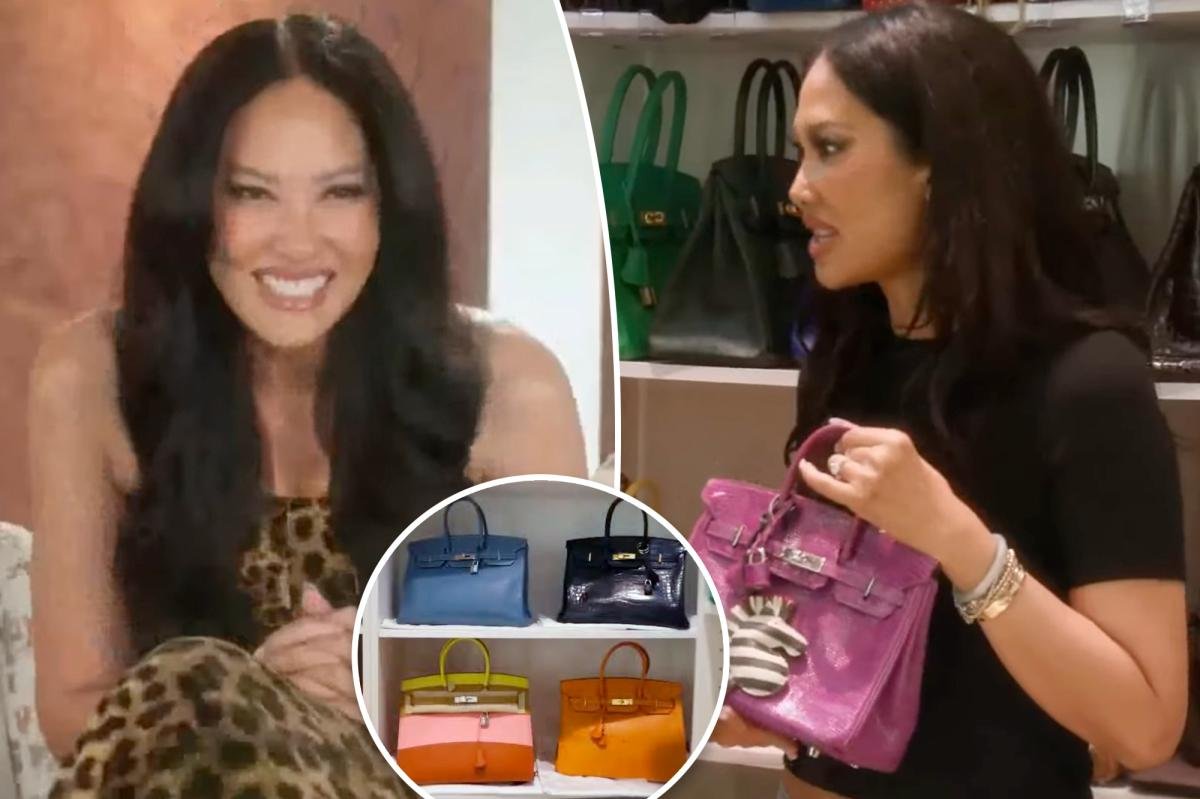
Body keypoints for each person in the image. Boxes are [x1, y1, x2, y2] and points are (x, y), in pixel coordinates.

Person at [30, 14, 586, 796]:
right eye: (252, 193)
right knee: (196, 682)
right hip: (175, 776)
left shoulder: (511, 390)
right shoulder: (89, 375)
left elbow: (569, 713)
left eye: (340, 193)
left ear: (390, 207)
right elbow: (71, 709)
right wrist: (237, 708)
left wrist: (394, 696)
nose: (297, 242)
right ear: (192, 206)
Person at [709, 6, 1187, 798]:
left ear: (938, 163)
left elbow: (1143, 725)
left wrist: (958, 542)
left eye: (831, 148)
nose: (796, 189)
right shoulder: (845, 361)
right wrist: (774, 688)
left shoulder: (1089, 383)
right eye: (800, 152)